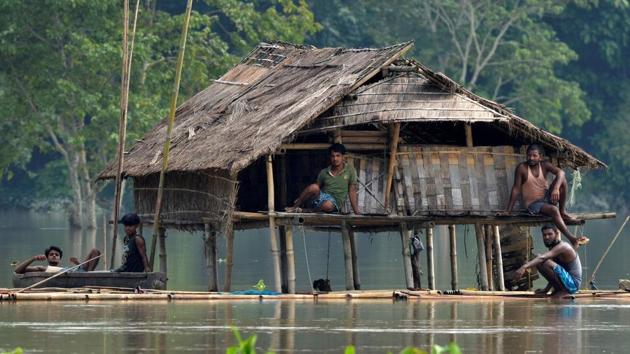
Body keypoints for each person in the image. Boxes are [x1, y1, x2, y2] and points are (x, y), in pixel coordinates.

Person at [505, 144, 588, 248]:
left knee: (563, 181)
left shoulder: (544, 165)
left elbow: (561, 172)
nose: (531, 158)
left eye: (534, 155)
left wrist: (556, 188)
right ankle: (572, 239)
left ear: (540, 157)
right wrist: (508, 211)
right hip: (532, 205)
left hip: (545, 199)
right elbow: (516, 189)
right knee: (553, 210)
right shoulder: (522, 168)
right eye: (529, 155)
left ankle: (562, 212)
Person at [286, 143, 360, 214]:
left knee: (327, 205)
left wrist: (356, 212)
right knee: (314, 187)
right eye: (333, 156)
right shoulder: (324, 172)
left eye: (338, 156)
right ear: (330, 157)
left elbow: (352, 191)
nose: (335, 159)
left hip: (334, 204)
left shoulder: (350, 170)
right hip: (321, 197)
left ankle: (309, 210)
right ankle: (294, 207)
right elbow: (315, 189)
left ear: (343, 157)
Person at [514, 224, 582, 298]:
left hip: (573, 285)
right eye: (544, 235)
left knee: (541, 260)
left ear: (556, 234)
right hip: (566, 282)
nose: (546, 237)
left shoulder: (563, 246)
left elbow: (542, 258)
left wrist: (524, 267)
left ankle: (564, 291)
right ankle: (559, 289)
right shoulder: (553, 247)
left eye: (550, 234)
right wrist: (546, 290)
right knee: (540, 262)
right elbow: (554, 273)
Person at [14, 245, 101, 274]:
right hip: (78, 274)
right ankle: (88, 276)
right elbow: (17, 271)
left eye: (57, 255)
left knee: (95, 251)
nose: (54, 256)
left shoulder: (65, 267)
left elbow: (80, 270)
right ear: (47, 258)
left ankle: (88, 275)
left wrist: (78, 263)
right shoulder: (43, 268)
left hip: (78, 272)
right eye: (51, 254)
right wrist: (33, 259)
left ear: (60, 259)